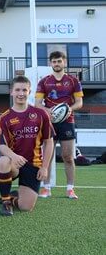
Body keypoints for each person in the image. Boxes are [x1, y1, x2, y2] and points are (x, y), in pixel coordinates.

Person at [0, 75, 54, 216]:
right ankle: (6, 201)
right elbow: (2, 146)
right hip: (14, 163)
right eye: (17, 90)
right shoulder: (4, 118)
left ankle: (12, 197)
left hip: (33, 164)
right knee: (3, 161)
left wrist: (45, 167)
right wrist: (14, 156)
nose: (21, 93)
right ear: (12, 92)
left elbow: (49, 141)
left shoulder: (41, 114)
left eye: (24, 90)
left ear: (29, 91)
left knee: (25, 207)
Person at [35, 51, 84, 199]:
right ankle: (46, 188)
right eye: (54, 62)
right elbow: (37, 104)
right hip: (49, 122)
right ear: (51, 63)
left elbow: (79, 103)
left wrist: (69, 109)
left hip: (67, 122)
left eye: (59, 61)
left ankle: (70, 189)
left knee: (68, 157)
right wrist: (49, 111)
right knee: (47, 157)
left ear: (65, 62)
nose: (57, 64)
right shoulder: (43, 81)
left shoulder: (74, 81)